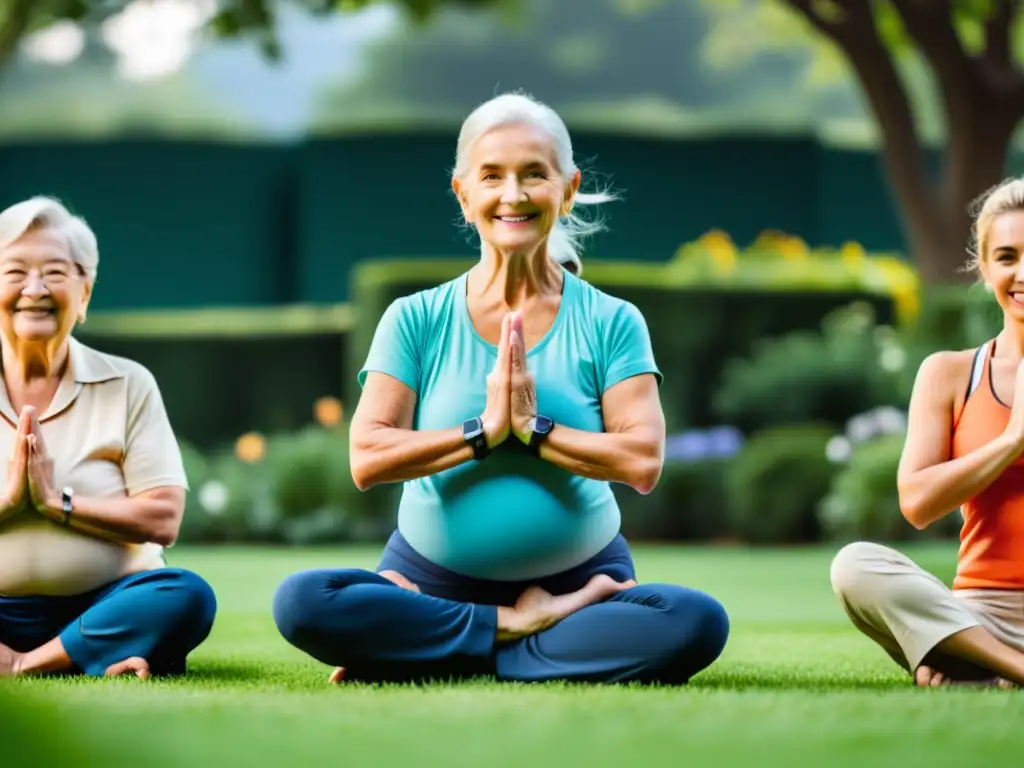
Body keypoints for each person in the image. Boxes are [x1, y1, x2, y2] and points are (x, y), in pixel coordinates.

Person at [273, 92, 730, 685]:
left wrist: (533, 430)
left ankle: (441, 645)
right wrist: (484, 433)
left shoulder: (612, 320)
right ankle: (523, 633)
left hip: (582, 582)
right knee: (304, 601)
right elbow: (367, 457)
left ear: (567, 190)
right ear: (464, 196)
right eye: (492, 177)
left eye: (534, 175)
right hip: (432, 582)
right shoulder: (414, 318)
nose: (512, 195)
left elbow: (641, 462)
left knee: (694, 621)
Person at [0, 196, 216, 679]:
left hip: (105, 602)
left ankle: (29, 663)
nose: (34, 289)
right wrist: (13, 502)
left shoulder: (128, 383)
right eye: (15, 273)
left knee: (186, 595)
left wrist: (58, 504)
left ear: (85, 295)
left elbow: (163, 518)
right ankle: (95, 656)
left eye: (55, 273)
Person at [830, 176, 1024, 689]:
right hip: (981, 616)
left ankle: (973, 671)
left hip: (969, 634)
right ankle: (1002, 664)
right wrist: (1011, 442)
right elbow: (917, 503)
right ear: (984, 269)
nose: (1022, 271)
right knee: (855, 566)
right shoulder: (951, 373)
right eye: (1007, 256)